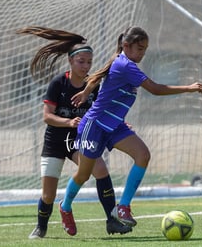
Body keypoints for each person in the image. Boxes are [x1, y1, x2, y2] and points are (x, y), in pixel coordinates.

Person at [59, 26, 202, 235]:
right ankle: (65, 207)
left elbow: (97, 76)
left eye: (144, 50)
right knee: (83, 175)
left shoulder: (120, 61)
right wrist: (188, 88)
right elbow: (155, 89)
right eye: (139, 49)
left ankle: (124, 206)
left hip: (115, 125)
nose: (142, 54)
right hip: (95, 126)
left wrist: (86, 91)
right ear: (126, 46)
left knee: (142, 155)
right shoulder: (125, 65)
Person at [16, 26, 132, 238]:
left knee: (101, 169)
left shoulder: (93, 85)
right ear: (70, 61)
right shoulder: (58, 83)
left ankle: (111, 220)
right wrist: (69, 122)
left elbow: (104, 110)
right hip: (55, 141)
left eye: (89, 62)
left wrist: (121, 125)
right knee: (48, 194)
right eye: (81, 62)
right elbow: (47, 116)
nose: (86, 66)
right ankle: (41, 227)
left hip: (79, 139)